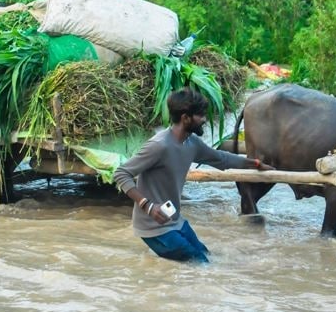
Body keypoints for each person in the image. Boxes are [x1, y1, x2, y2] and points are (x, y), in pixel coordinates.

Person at [113, 87, 275, 263]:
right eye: (201, 115)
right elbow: (121, 173)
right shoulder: (159, 146)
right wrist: (148, 206)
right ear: (185, 118)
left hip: (175, 221)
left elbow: (221, 158)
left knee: (207, 256)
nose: (205, 120)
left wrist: (255, 164)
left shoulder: (191, 143)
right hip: (154, 227)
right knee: (201, 266)